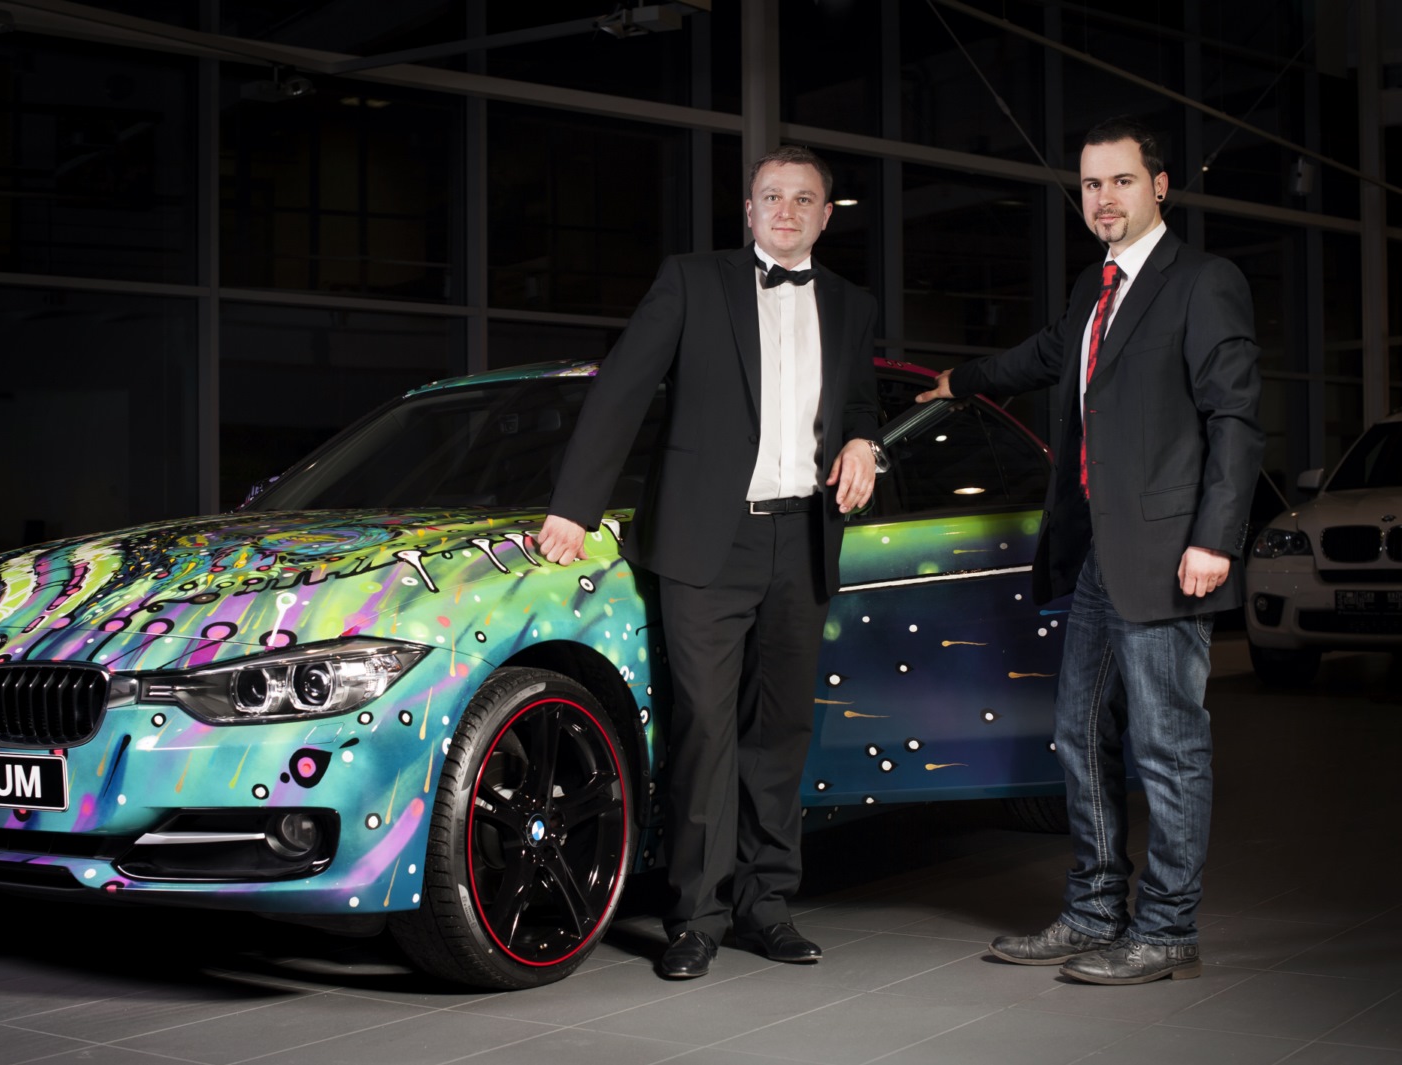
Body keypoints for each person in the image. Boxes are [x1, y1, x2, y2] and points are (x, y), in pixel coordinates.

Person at [917, 116, 1262, 985]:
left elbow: (1235, 418)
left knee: (1168, 747)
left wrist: (1215, 537)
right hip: (1102, 556)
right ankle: (1094, 909)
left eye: (1121, 180)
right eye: (1091, 185)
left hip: (1172, 554)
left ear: (1160, 186)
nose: (1104, 198)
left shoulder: (1203, 282)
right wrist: (963, 381)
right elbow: (1047, 355)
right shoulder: (1092, 287)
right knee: (1078, 734)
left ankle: (1168, 926)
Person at [536, 145, 884, 980]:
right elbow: (621, 387)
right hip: (707, 543)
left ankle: (768, 905)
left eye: (804, 199)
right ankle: (696, 915)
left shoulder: (852, 303)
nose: (787, 210)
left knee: (781, 732)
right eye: (773, 196)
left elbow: (859, 401)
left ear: (825, 215)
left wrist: (865, 440)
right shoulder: (692, 281)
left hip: (804, 538)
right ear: (750, 209)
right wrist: (574, 505)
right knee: (704, 726)